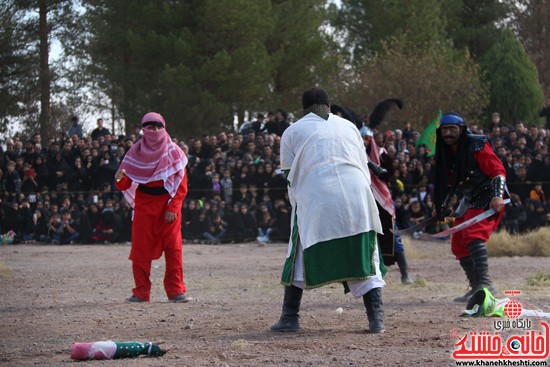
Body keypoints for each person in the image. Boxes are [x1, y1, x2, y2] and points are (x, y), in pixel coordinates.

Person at [271, 87, 385, 334]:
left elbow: (289, 175)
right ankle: (376, 320)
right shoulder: (349, 127)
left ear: (303, 109)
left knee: (299, 251)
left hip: (316, 196)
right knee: (365, 254)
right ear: (329, 105)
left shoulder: (292, 131)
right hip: (357, 195)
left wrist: (300, 200)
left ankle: (290, 318)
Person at [115, 112, 191, 303]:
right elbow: (125, 183)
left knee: (174, 249)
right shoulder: (135, 153)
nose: (154, 130)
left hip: (168, 207)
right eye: (149, 127)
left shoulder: (174, 152)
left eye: (158, 126)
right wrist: (120, 178)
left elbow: (181, 186)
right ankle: (141, 292)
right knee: (140, 251)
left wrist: (173, 208)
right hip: (144, 206)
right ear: (143, 129)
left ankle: (175, 291)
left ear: (164, 128)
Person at [433, 113, 507, 303]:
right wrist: (440, 206)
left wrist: (497, 196)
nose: (448, 133)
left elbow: (498, 171)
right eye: (445, 130)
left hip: (490, 196)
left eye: (452, 129)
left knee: (473, 233)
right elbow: (450, 183)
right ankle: (476, 288)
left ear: (462, 130)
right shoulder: (445, 151)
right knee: (458, 242)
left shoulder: (477, 144)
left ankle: (486, 283)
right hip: (470, 198)